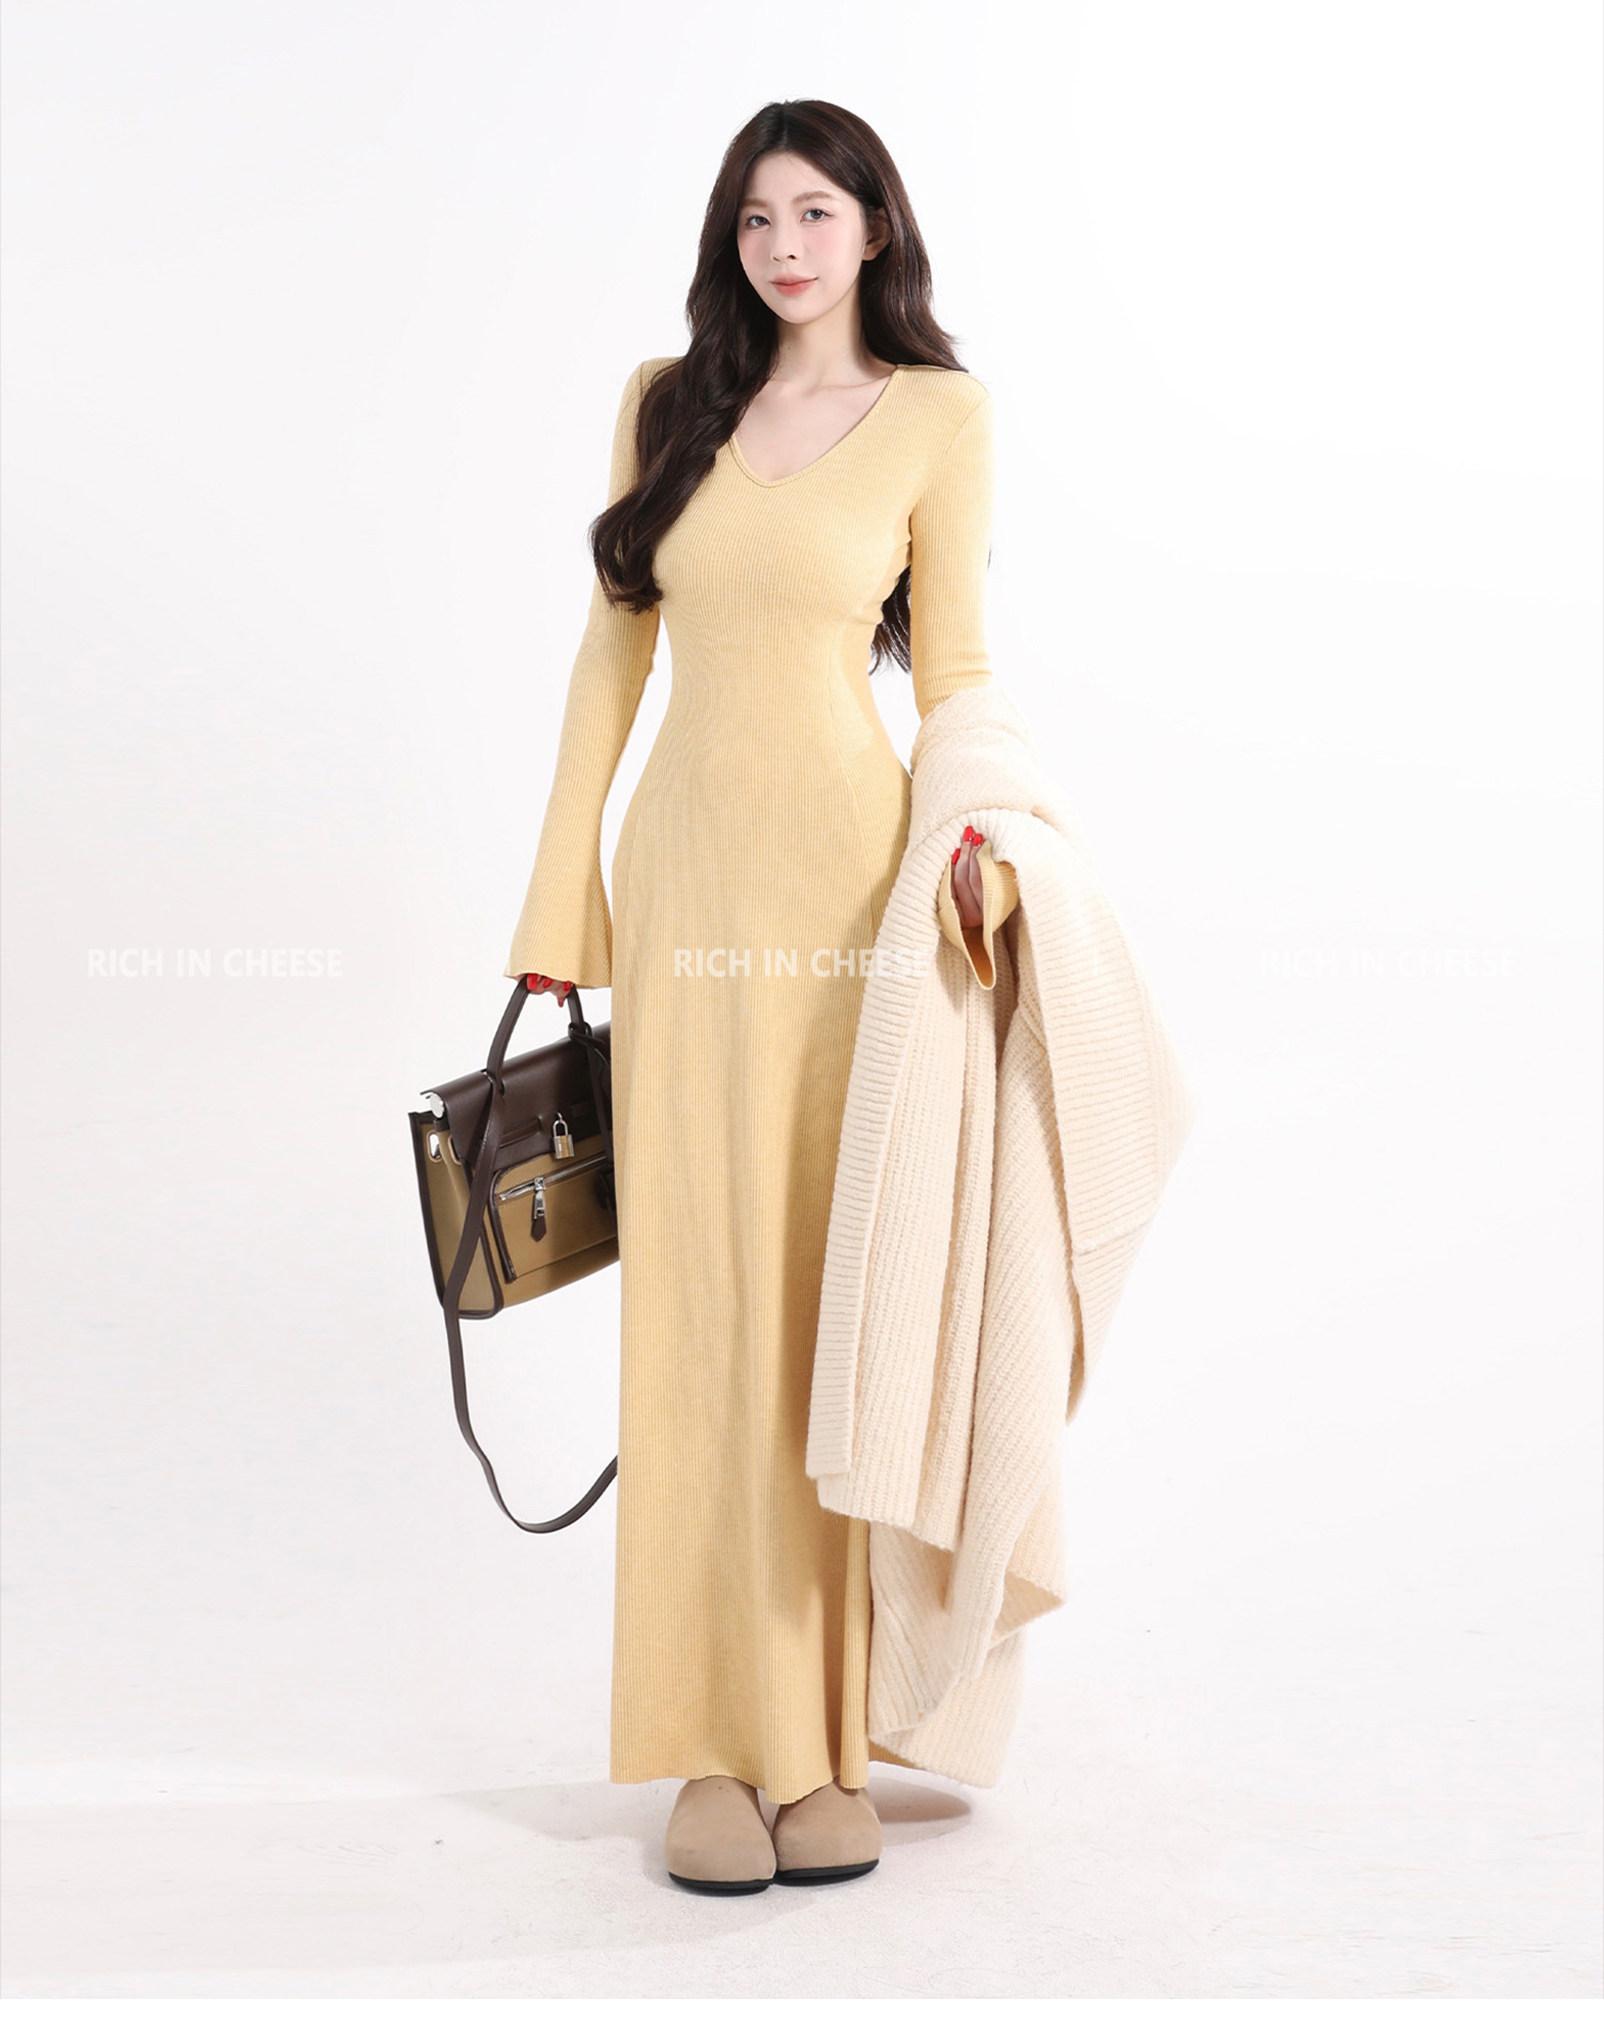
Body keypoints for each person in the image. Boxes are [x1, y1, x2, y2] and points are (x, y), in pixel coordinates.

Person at [504, 98, 1018, 1895]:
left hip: (856, 901)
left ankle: (823, 1748)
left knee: (829, 1312)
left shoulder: (940, 415)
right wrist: (558, 905)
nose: (786, 245)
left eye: (817, 212)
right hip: (687, 898)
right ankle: (713, 1747)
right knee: (698, 1312)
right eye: (756, 217)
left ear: (875, 227)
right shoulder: (669, 404)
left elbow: (953, 670)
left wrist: (980, 849)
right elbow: (607, 662)